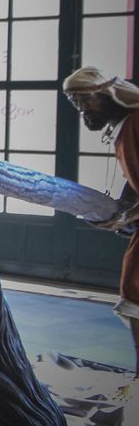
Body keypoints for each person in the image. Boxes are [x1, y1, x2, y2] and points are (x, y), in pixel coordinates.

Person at [63, 66, 139, 378]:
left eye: (85, 100)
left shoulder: (134, 123)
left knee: (134, 290)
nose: (81, 109)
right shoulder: (124, 124)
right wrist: (120, 209)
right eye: (74, 102)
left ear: (106, 95)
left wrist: (127, 214)